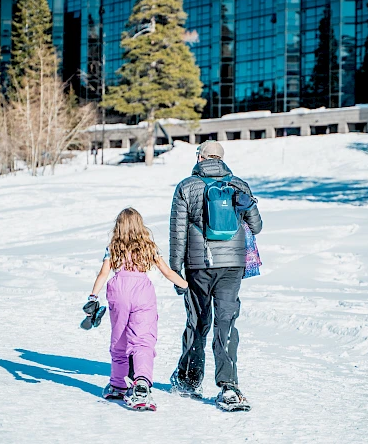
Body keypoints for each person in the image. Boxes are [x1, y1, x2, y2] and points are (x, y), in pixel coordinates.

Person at [169, 140, 262, 411]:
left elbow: (178, 233)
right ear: (221, 158)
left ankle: (189, 380)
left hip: (199, 265)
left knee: (197, 321)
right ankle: (229, 386)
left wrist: (176, 272)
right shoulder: (239, 185)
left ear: (200, 157)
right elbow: (256, 226)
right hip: (232, 265)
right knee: (226, 322)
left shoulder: (186, 186)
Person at [83, 207, 188, 411]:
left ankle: (118, 384)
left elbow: (103, 273)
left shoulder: (113, 247)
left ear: (118, 227)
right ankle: (141, 383)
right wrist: (186, 285)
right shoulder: (148, 246)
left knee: (120, 340)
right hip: (143, 294)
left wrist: (93, 296)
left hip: (118, 293)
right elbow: (166, 271)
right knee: (142, 341)